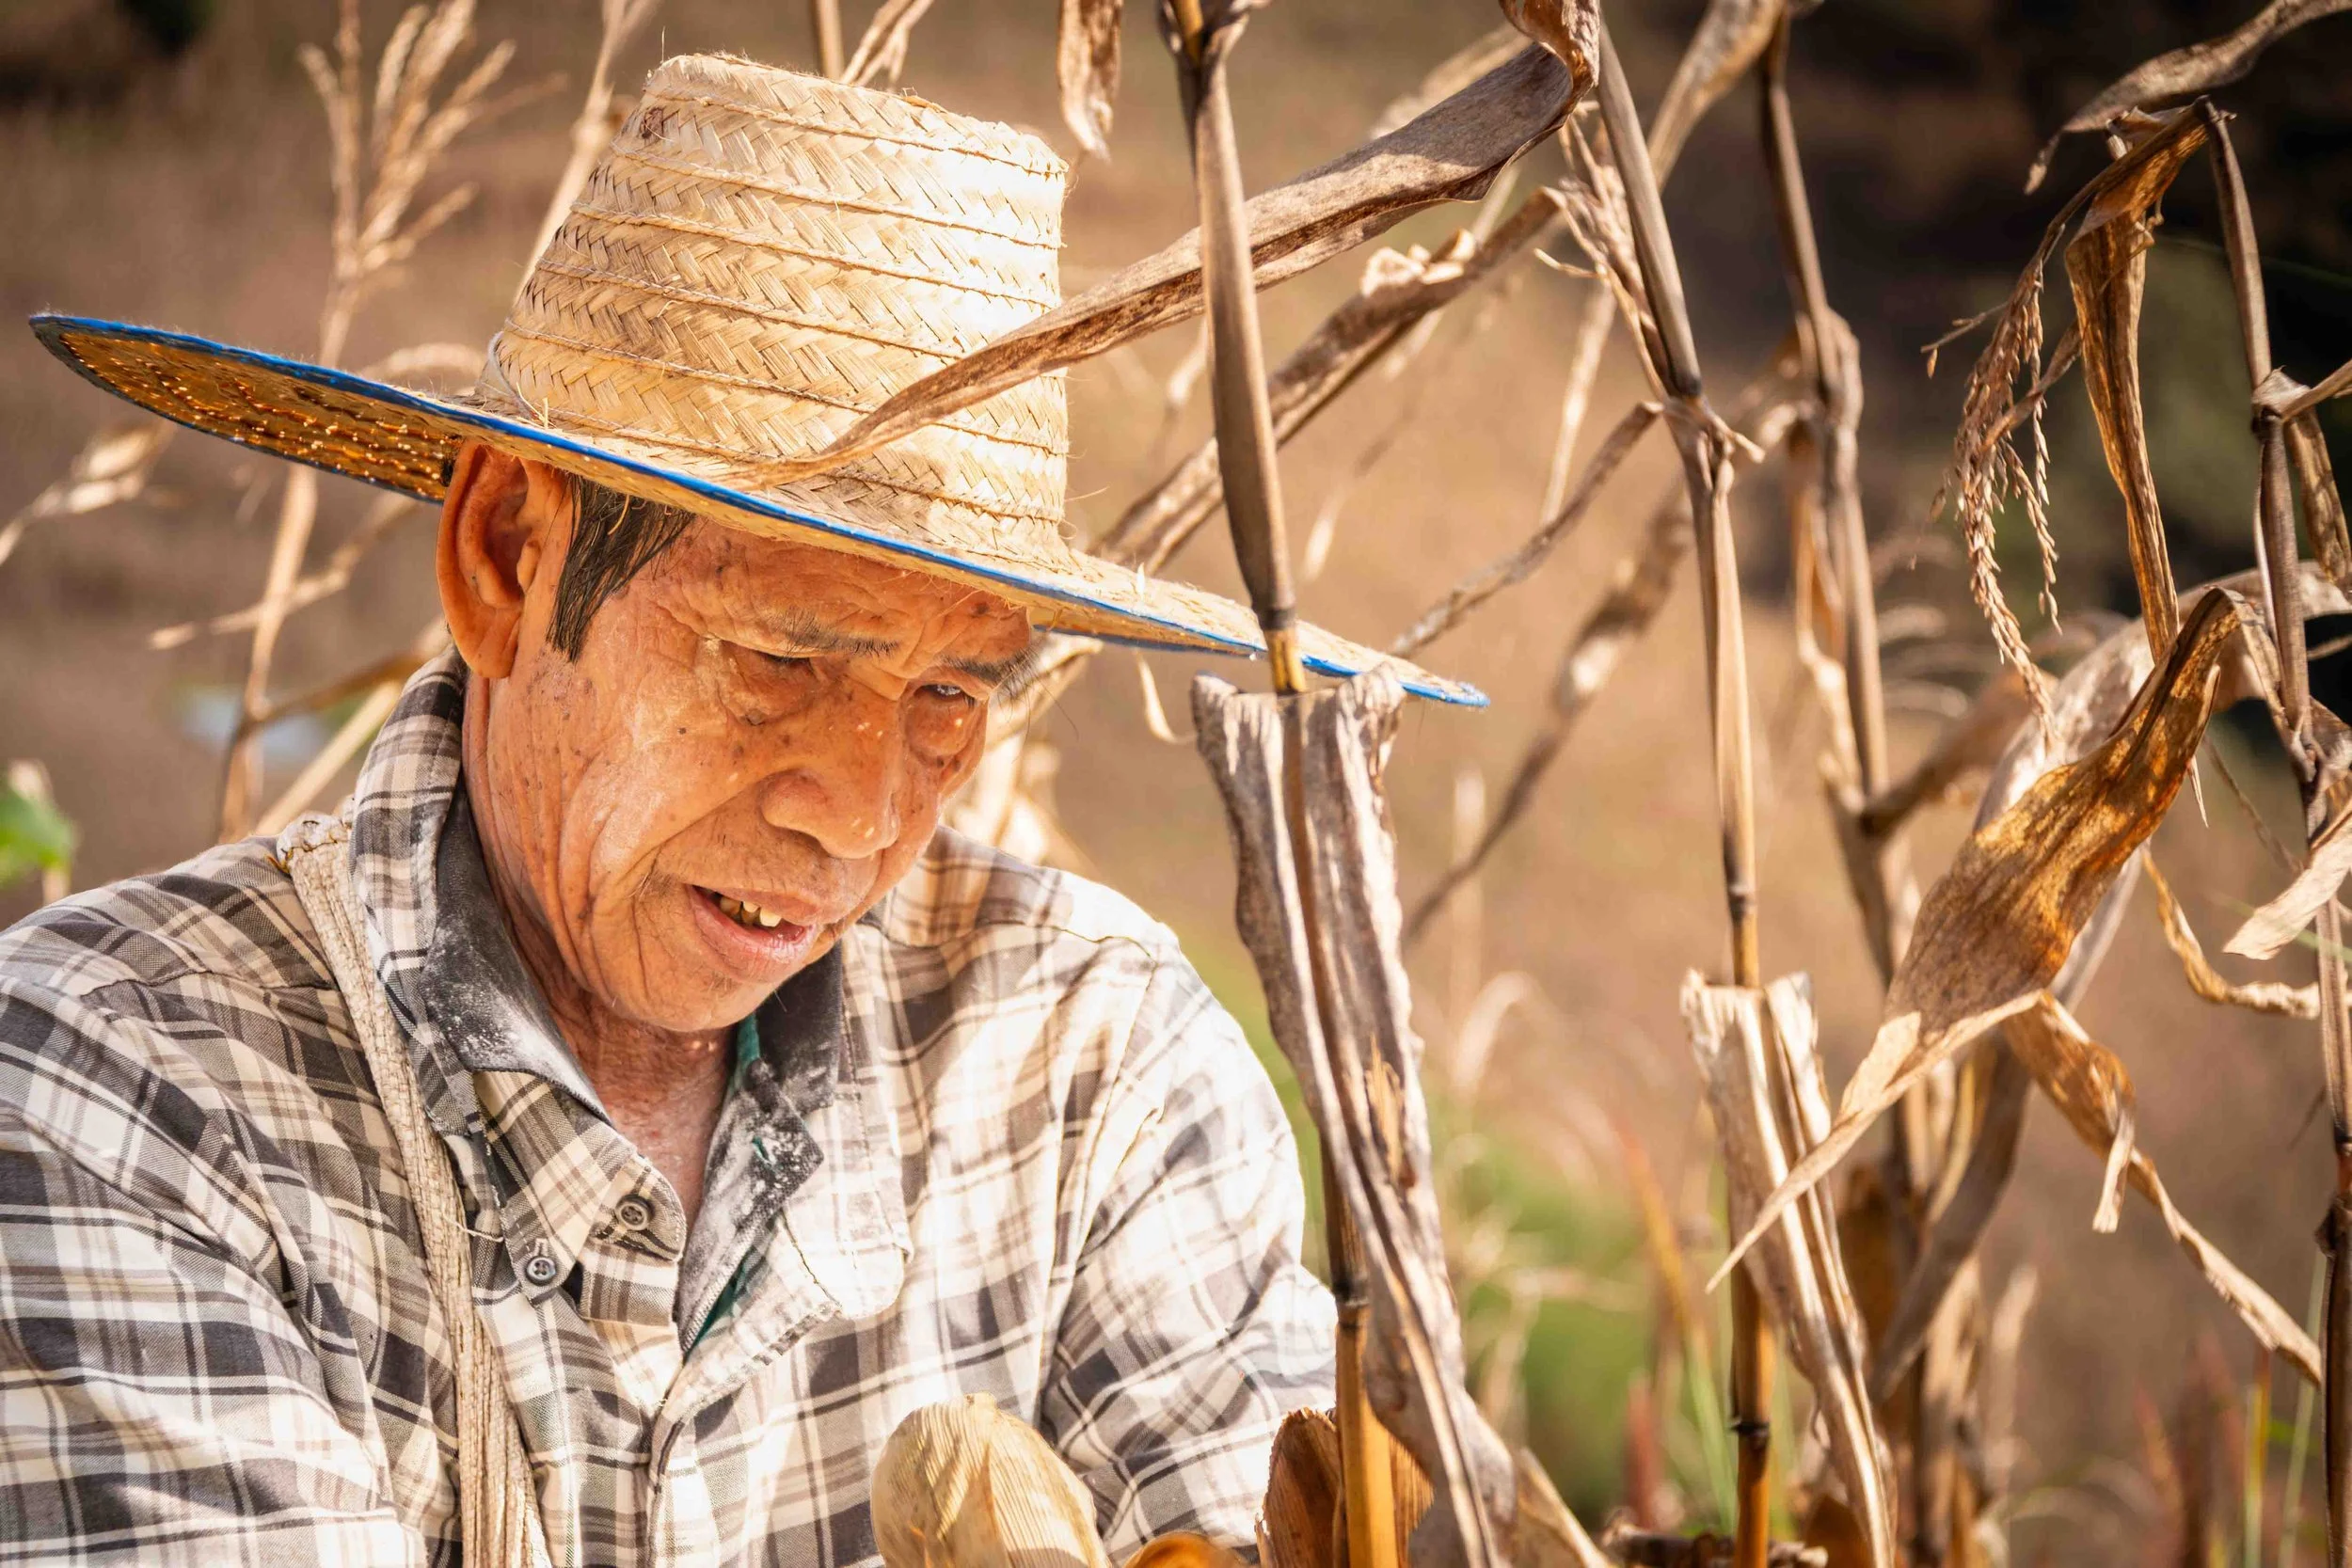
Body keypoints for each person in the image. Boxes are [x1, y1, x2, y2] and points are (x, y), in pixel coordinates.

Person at [0, 54, 1474, 1568]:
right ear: (507, 556)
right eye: (776, 661)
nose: (855, 816)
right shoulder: (121, 1085)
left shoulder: (1090, 1063)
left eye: (950, 697)